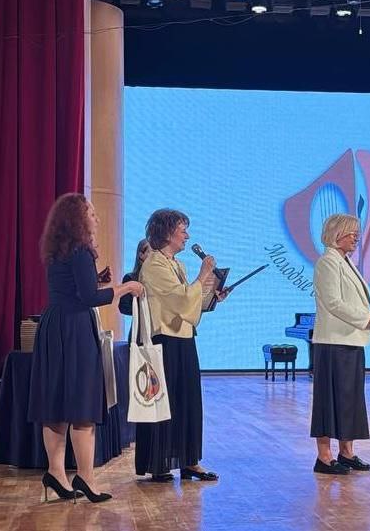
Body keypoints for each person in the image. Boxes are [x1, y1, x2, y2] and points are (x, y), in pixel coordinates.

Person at [29, 193, 144, 503]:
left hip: (54, 326)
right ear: (78, 220)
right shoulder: (81, 251)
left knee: (56, 404)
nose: (96, 218)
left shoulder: (58, 251)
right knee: (82, 406)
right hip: (75, 331)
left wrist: (98, 281)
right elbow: (89, 298)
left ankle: (56, 472)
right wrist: (126, 287)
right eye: (91, 214)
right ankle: (86, 477)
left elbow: (74, 289)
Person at [134, 208, 225, 482]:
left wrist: (211, 297)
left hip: (184, 338)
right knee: (166, 402)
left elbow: (190, 305)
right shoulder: (154, 265)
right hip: (164, 341)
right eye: (182, 230)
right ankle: (159, 462)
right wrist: (203, 276)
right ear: (167, 233)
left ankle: (189, 460)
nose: (187, 236)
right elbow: (181, 299)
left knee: (188, 402)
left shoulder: (177, 264)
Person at [310, 213, 370, 475]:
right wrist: (367, 318)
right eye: (352, 233)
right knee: (329, 399)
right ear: (337, 235)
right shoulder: (327, 262)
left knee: (349, 399)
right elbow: (333, 302)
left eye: (357, 233)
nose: (356, 238)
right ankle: (324, 457)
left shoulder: (345, 261)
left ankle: (346, 452)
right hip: (333, 342)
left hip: (351, 340)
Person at [118, 238, 151, 317]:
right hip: (142, 323)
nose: (155, 257)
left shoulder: (161, 278)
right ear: (141, 255)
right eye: (151, 252)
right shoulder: (130, 278)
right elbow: (124, 308)